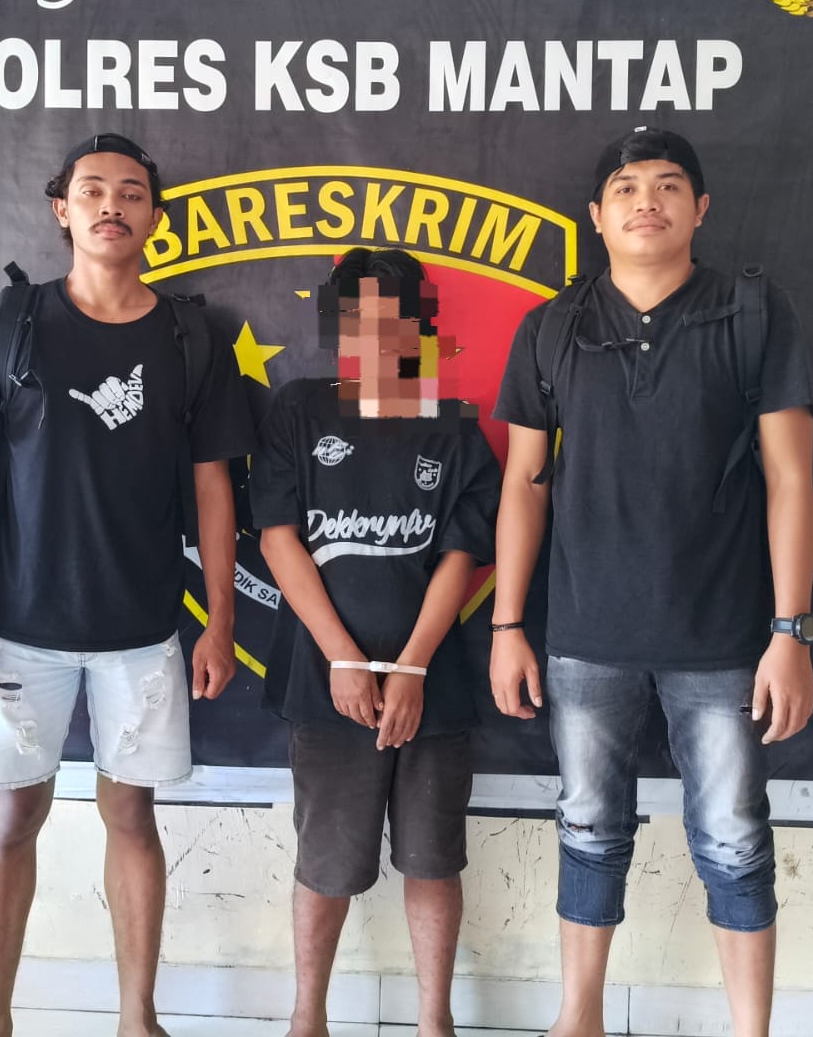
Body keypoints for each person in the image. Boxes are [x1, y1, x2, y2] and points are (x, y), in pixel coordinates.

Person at [490, 128, 813, 1037]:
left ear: (700, 208)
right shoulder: (552, 326)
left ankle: (750, 1030)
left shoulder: (752, 313)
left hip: (723, 637)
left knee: (735, 838)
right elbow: (523, 484)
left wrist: (791, 632)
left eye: (669, 185)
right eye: (627, 187)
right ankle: (579, 1018)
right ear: (595, 216)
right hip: (586, 634)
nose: (647, 201)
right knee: (589, 828)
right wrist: (507, 626)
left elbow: (791, 480)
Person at [0, 132, 254, 1037]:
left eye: (132, 192)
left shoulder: (193, 337)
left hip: (143, 630)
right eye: (92, 190)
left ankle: (136, 1020)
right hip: (17, 627)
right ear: (62, 209)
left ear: (154, 217)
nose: (112, 204)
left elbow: (214, 489)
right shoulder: (5, 324)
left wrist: (220, 621)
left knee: (133, 818)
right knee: (12, 821)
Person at [251, 248, 502, 1037]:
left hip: (433, 685)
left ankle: (435, 1022)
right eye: (356, 315)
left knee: (433, 858)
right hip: (327, 684)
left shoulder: (453, 426)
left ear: (419, 325)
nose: (373, 331)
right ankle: (307, 1019)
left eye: (391, 315)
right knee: (326, 863)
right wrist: (344, 656)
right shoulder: (298, 410)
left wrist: (413, 666)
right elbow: (279, 537)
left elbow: (461, 555)